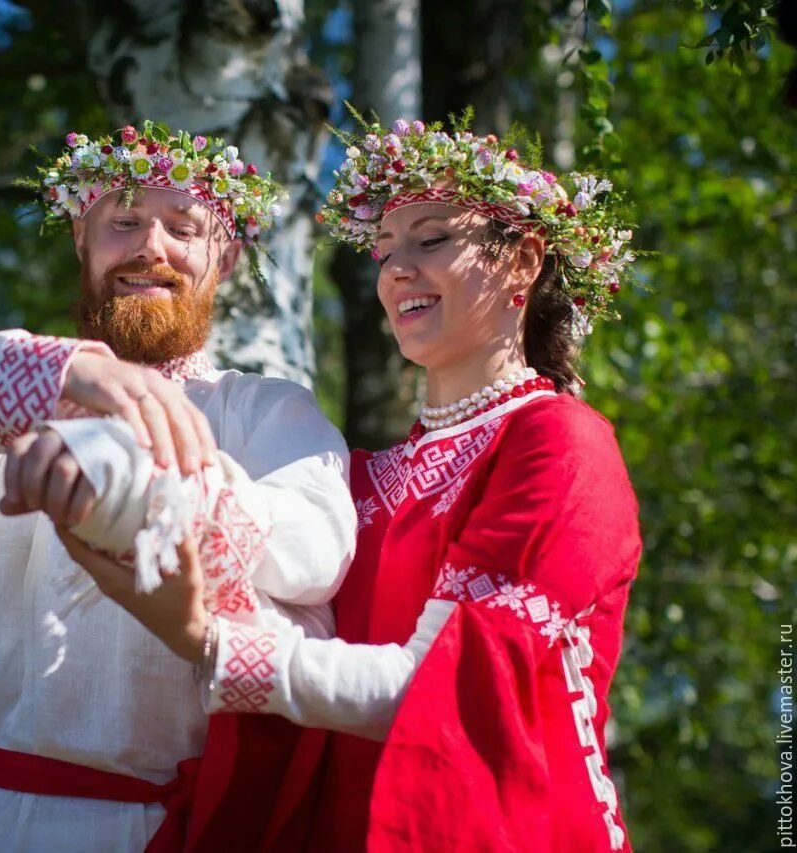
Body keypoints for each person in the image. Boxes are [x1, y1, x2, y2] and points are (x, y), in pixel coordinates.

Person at [62, 115, 642, 851]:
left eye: (431, 238)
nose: (397, 269)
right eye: (385, 250)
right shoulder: (361, 478)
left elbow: (442, 684)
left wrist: (205, 636)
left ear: (523, 260)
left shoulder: (559, 442)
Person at [0, 121, 355, 851]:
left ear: (228, 258)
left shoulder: (262, 409)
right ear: (80, 243)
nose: (151, 246)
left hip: (169, 828)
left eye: (183, 226)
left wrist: (164, 490)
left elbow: (320, 545)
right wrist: (61, 373)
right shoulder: (13, 400)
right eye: (123, 221)